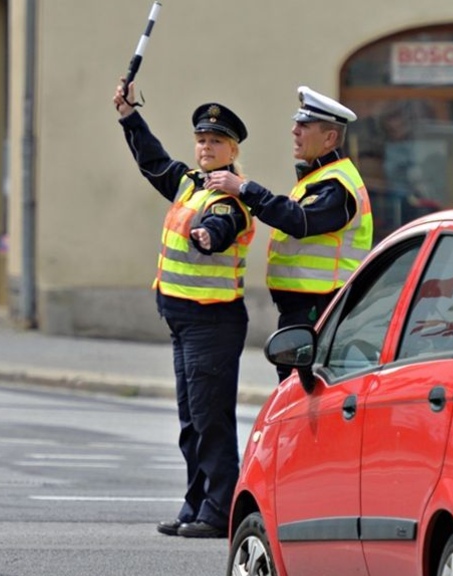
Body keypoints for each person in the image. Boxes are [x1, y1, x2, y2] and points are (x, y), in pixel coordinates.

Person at [113, 79, 254, 539]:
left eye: (215, 141)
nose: (206, 147)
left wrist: (208, 236)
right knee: (191, 422)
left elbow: (223, 226)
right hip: (183, 320)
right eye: (201, 140)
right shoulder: (190, 185)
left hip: (212, 322)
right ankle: (195, 503)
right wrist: (130, 117)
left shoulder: (230, 198)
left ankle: (219, 511)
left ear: (232, 149)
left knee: (211, 421)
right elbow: (154, 162)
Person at [205, 86, 373, 381]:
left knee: (305, 390)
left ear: (330, 138)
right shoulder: (319, 178)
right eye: (296, 123)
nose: (294, 131)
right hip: (306, 308)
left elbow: (299, 221)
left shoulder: (337, 185)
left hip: (320, 307)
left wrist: (244, 189)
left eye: (304, 125)